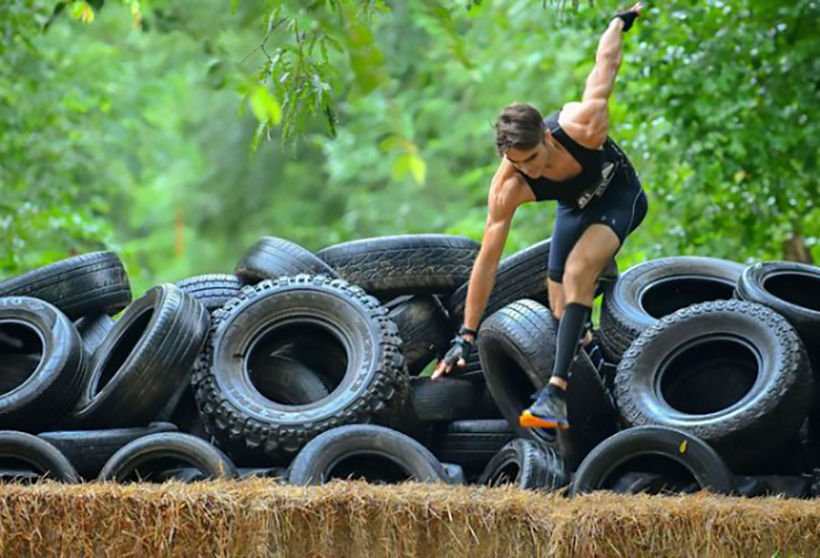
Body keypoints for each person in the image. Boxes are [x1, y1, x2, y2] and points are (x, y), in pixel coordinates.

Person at [431, 3, 648, 431]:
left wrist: (619, 21)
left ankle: (555, 394)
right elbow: (488, 260)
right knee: (558, 302)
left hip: (618, 197)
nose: (528, 170)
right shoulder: (509, 185)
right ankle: (597, 363)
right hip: (574, 207)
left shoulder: (584, 126)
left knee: (578, 272)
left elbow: (606, 64)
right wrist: (466, 335)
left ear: (547, 138)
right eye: (517, 163)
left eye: (533, 158)